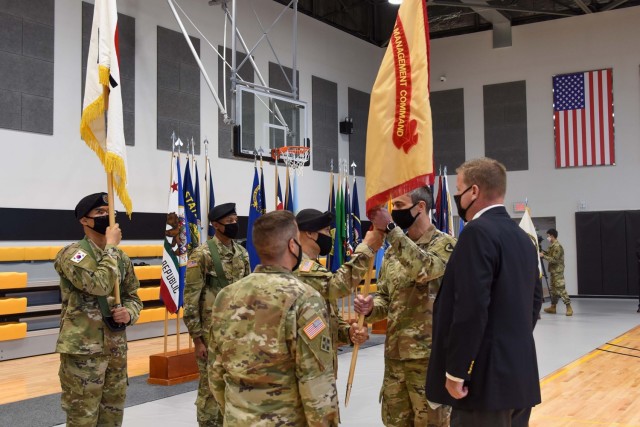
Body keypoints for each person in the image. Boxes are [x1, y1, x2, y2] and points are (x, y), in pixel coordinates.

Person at [426, 157, 543, 427]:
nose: (456, 195)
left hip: (484, 383)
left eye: (458, 188)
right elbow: (534, 301)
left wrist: (456, 371)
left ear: (474, 191)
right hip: (519, 376)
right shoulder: (523, 239)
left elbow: (471, 307)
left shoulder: (477, 233)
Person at [208, 210, 339, 426]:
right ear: (292, 245)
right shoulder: (305, 298)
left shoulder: (226, 296)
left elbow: (216, 371)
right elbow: (316, 381)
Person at [353, 186, 456, 427]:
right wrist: (370, 308)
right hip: (395, 357)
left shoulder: (445, 245)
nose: (394, 212)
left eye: (399, 206)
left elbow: (424, 270)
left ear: (420, 207)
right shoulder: (392, 254)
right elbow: (386, 299)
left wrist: (390, 229)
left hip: (428, 359)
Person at [54, 192, 142, 426]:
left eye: (109, 212)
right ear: (84, 220)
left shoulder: (121, 258)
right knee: (83, 418)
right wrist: (111, 247)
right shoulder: (73, 254)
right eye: (100, 213)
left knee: (112, 417)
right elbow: (99, 285)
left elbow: (133, 296)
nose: (107, 217)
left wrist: (129, 313)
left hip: (115, 349)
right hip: (84, 351)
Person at [294, 208, 384, 373]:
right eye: (327, 230)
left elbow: (323, 319)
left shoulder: (314, 266)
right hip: (304, 368)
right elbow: (338, 286)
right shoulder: (300, 267)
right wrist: (367, 249)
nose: (330, 236)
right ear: (309, 233)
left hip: (319, 363)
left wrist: (348, 332)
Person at [184, 202, 250, 426]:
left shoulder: (242, 252)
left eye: (235, 220)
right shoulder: (202, 254)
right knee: (210, 390)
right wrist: (197, 339)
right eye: (229, 221)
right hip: (210, 335)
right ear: (215, 225)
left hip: (238, 333)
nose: (234, 224)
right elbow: (191, 299)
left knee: (235, 385)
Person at [540, 228, 573, 316]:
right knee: (553, 290)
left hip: (558, 271)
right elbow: (548, 253)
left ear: (552, 236)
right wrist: (541, 251)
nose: (547, 238)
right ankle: (553, 307)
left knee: (561, 289)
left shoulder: (557, 246)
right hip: (553, 271)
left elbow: (554, 260)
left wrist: (543, 256)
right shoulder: (552, 246)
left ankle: (569, 307)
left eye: (548, 236)